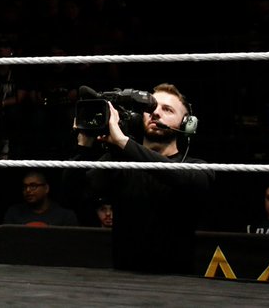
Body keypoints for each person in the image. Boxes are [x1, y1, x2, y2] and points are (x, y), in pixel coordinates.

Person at [64, 83, 213, 274]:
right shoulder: (120, 162)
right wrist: (83, 144)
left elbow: (184, 179)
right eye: (150, 108)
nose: (156, 113)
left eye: (167, 109)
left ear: (187, 123)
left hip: (177, 282)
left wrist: (123, 142)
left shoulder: (197, 166)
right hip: (124, 281)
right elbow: (70, 194)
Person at [3, 171, 78, 227]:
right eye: (25, 187)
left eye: (33, 186)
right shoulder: (14, 213)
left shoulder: (65, 216)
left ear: (46, 188)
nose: (28, 190)